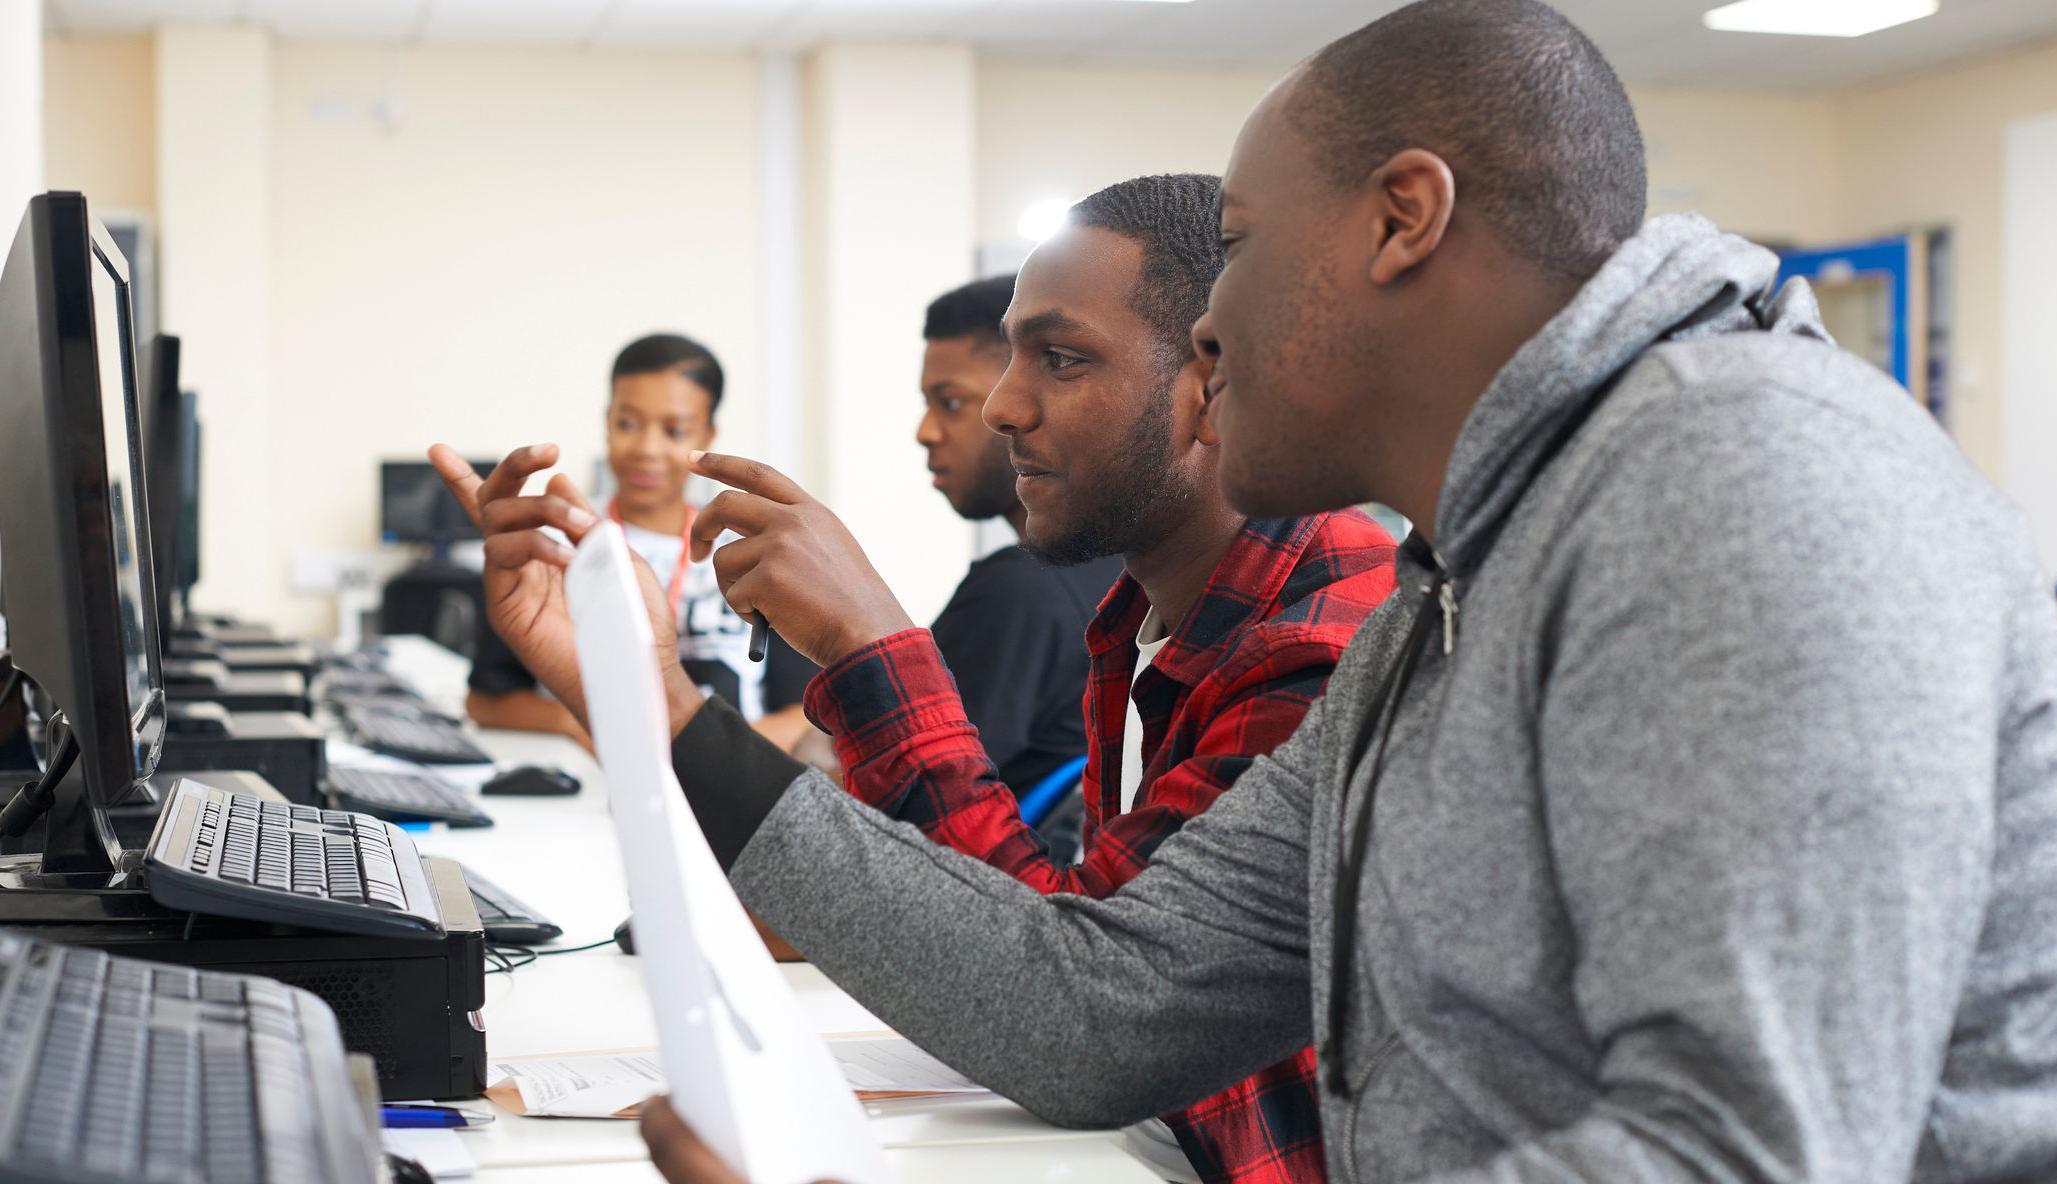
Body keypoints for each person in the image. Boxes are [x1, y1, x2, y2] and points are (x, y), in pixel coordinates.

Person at [453, 0, 2057, 1175]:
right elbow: (1102, 1004)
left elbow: (1738, 1150)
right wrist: (662, 708)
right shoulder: (1468, 584)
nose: (1212, 329)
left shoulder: (1746, 485)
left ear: (1401, 221)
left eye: (1237, 243)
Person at [433, 172, 1398, 1184]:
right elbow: (1054, 953)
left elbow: (1066, 1012)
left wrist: (868, 640)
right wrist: (630, 684)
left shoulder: (1322, 639)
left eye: (1059, 357)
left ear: (1210, 376)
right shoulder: (1147, 620)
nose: (1000, 405)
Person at [463, 334, 818, 752]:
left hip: (728, 792)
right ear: (607, 421)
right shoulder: (554, 544)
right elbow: (487, 702)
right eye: (628, 424)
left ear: (707, 433)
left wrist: (705, 758)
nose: (647, 449)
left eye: (675, 430)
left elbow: (804, 715)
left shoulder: (752, 554)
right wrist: (579, 723)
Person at [916, 274, 1123, 858]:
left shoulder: (1018, 591)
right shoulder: (1123, 576)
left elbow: (902, 812)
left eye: (951, 402)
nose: (925, 432)